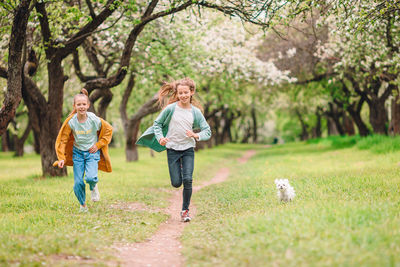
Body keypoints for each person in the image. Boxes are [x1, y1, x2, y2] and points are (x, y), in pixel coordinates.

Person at [137, 78, 211, 222]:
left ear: (192, 92)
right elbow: (157, 124)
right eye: (180, 93)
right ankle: (180, 167)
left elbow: (207, 131)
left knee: (188, 180)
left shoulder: (195, 112)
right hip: (172, 149)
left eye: (186, 93)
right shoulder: (171, 109)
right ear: (177, 93)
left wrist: (196, 135)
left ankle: (185, 210)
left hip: (188, 148)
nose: (183, 95)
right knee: (176, 183)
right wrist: (160, 138)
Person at [53, 89, 113, 212]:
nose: (81, 107)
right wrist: (61, 158)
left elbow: (108, 130)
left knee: (91, 178)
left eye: (84, 104)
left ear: (88, 105)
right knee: (78, 183)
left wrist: (99, 144)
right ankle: (83, 205)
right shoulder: (71, 122)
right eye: (79, 104)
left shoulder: (93, 119)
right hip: (78, 154)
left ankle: (93, 186)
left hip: (92, 153)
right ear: (74, 106)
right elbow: (63, 140)